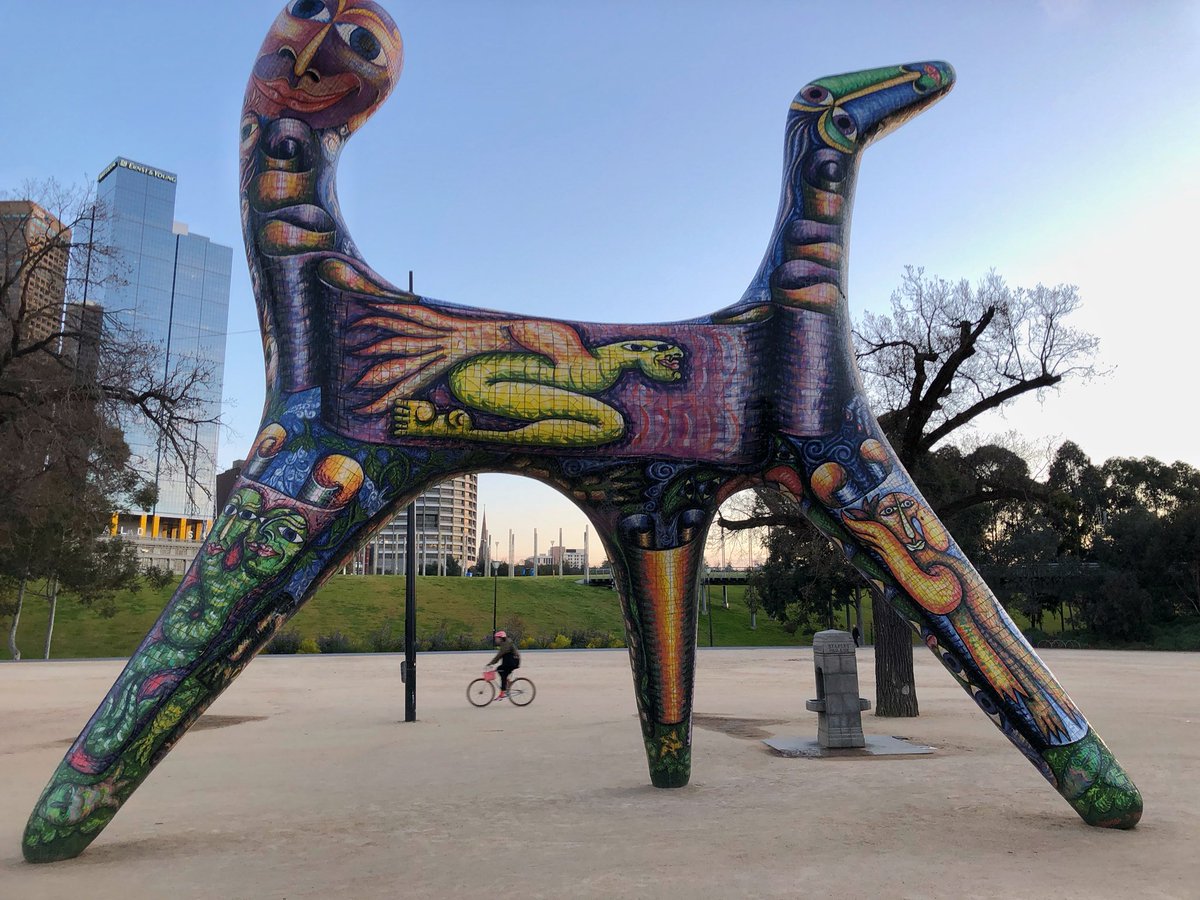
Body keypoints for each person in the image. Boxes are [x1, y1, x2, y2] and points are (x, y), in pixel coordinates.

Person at [488, 630, 521, 699]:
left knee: (502, 671)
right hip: (511, 662)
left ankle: (502, 693)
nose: (496, 640)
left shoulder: (505, 644)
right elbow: (500, 655)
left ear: (501, 638)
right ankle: (507, 683)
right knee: (501, 670)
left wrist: (491, 663)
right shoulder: (505, 643)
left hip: (512, 662)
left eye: (497, 638)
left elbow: (499, 655)